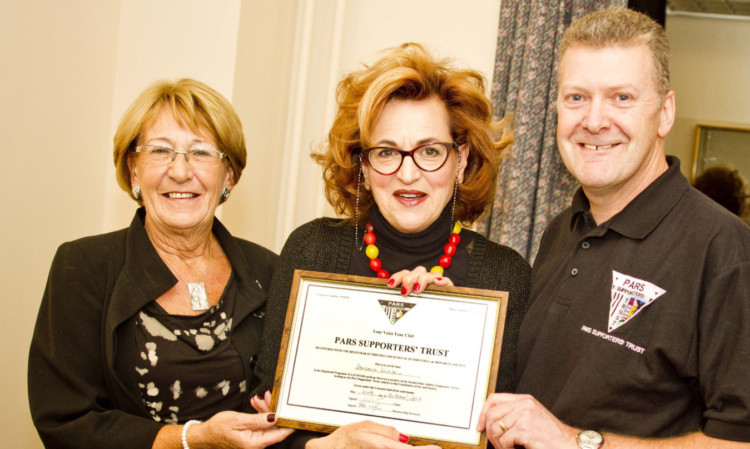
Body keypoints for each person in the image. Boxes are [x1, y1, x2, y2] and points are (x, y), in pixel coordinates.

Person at [477, 7, 750, 449]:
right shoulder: (560, 230)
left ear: (664, 113)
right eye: (576, 97)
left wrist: (576, 441)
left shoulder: (725, 252)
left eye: (621, 97)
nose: (594, 120)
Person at [252, 43, 531, 448]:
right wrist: (323, 446)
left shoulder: (505, 276)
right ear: (363, 163)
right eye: (386, 152)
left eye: (430, 151)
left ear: (461, 158)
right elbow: (267, 418)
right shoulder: (311, 249)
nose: (408, 174)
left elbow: (508, 437)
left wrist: (450, 327)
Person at [28, 79, 293, 449]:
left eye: (201, 153)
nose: (181, 171)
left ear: (228, 175)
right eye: (160, 151)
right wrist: (190, 439)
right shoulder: (82, 267)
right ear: (134, 170)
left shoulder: (271, 271)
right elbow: (66, 421)